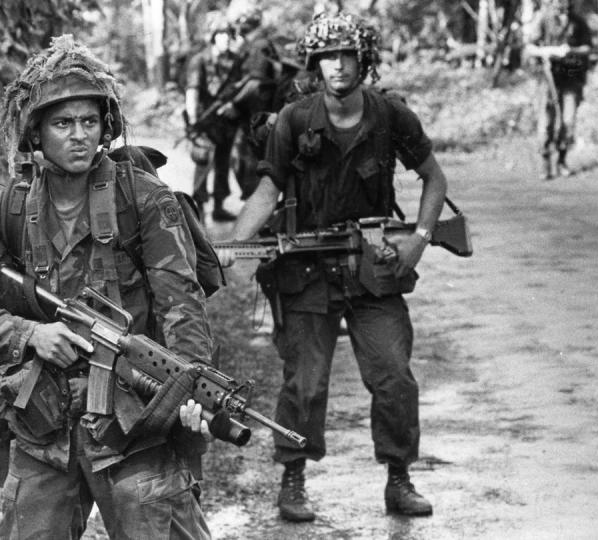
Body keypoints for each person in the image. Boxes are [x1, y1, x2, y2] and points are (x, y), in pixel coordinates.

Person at [0, 35, 216, 540]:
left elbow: (182, 305)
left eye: (89, 122)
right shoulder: (8, 209)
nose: (79, 135)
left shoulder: (144, 199)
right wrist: (28, 335)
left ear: (105, 127)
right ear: (36, 133)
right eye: (63, 123)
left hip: (136, 423)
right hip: (42, 425)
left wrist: (190, 391)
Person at [218, 12, 448, 522]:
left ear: (363, 60)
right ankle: (294, 478)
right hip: (307, 274)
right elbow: (269, 189)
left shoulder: (390, 116)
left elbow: (435, 178)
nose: (337, 67)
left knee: (393, 376)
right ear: (315, 64)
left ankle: (398, 478)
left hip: (374, 270)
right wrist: (235, 243)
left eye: (346, 55)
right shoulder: (296, 120)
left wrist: (419, 240)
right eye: (327, 57)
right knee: (305, 381)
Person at [184, 11, 244, 222]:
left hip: (227, 122)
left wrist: (234, 106)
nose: (226, 38)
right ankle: (198, 209)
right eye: (221, 34)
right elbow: (192, 91)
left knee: (223, 164)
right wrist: (192, 121)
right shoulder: (199, 60)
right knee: (203, 162)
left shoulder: (236, 61)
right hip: (205, 120)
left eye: (228, 34)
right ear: (212, 37)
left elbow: (241, 89)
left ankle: (219, 206)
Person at [524, 0, 593, 180]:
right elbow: (530, 47)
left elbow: (587, 47)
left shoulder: (578, 21)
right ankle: (545, 161)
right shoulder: (543, 19)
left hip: (571, 77)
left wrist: (571, 50)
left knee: (568, 121)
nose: (563, 8)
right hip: (546, 77)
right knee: (546, 121)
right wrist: (548, 51)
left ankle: (561, 160)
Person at [227, 7, 282, 200]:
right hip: (256, 113)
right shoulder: (257, 44)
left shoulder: (257, 46)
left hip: (256, 114)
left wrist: (233, 104)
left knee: (247, 160)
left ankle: (257, 206)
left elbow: (254, 82)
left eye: (239, 22)